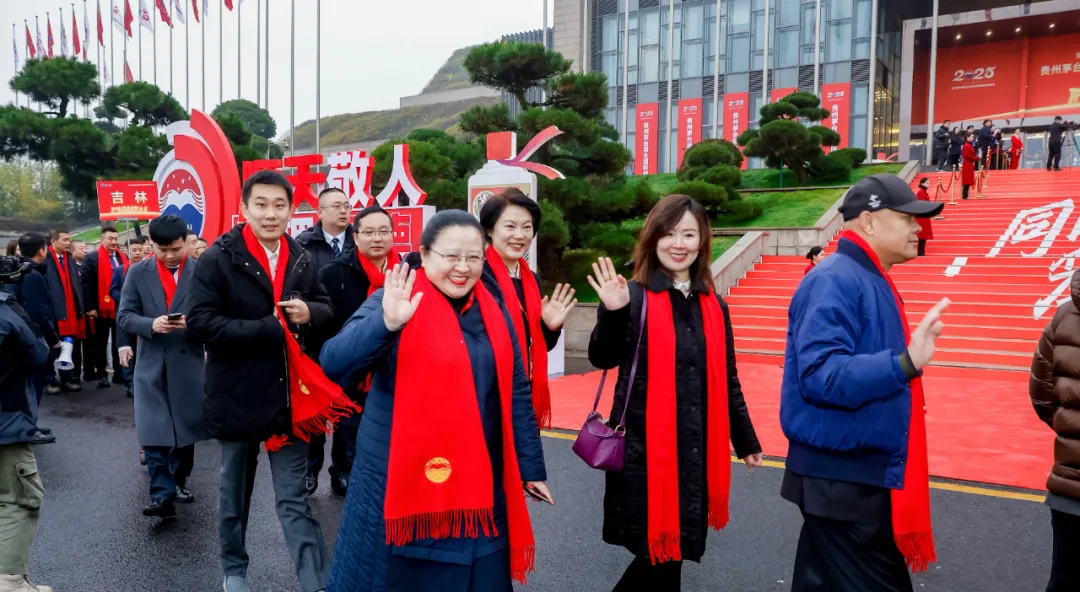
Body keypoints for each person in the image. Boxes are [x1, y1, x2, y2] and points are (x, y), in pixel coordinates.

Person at [321, 210, 550, 592]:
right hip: (399, 480)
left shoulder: (494, 311)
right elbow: (333, 363)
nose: (463, 268)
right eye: (451, 256)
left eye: (473, 258)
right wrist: (386, 324)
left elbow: (515, 391)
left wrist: (530, 467)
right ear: (424, 254)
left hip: (480, 482)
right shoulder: (395, 298)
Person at [587, 194, 762, 591]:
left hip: (696, 453)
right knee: (659, 556)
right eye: (669, 234)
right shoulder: (632, 297)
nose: (678, 243)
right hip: (647, 456)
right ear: (653, 239)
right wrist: (612, 313)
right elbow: (602, 357)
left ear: (702, 241)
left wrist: (745, 439)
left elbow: (728, 379)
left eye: (689, 233)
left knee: (669, 558)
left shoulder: (714, 306)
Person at [781, 174, 946, 592]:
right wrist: (904, 363)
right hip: (844, 482)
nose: (918, 228)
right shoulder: (834, 278)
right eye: (908, 218)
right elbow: (821, 376)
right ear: (868, 222)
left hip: (848, 474)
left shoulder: (866, 277)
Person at [186, 170, 336, 592]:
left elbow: (324, 304)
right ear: (245, 208)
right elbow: (198, 322)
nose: (271, 214)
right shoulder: (219, 256)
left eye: (280, 205)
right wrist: (266, 328)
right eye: (262, 204)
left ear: (291, 210)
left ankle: (315, 581)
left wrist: (312, 313)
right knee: (234, 497)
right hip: (235, 396)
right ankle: (234, 571)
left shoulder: (301, 255)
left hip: (289, 401)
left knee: (293, 500)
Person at [305, 205, 400, 497]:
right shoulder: (334, 273)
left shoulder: (405, 272)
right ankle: (336, 471)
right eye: (369, 232)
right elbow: (322, 316)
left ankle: (354, 472)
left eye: (383, 231)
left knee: (368, 426)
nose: (377, 238)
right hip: (344, 360)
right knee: (344, 420)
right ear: (355, 237)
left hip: (385, 364)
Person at [117, 215, 206, 519]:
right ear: (152, 244)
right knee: (152, 429)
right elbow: (125, 316)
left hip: (189, 362)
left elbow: (216, 316)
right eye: (162, 249)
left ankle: (179, 481)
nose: (169, 255)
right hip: (151, 362)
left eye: (176, 249)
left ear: (187, 242)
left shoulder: (202, 272)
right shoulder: (137, 273)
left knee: (185, 429)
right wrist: (150, 324)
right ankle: (161, 494)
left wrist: (191, 325)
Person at [480, 188, 577, 431]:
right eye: (510, 226)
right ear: (490, 230)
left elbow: (535, 344)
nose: (520, 235)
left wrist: (549, 327)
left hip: (524, 391)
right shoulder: (477, 276)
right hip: (486, 394)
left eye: (527, 227)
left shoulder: (530, 279)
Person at [0, 255, 53, 592]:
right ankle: (10, 580)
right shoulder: (7, 312)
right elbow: (38, 353)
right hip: (6, 420)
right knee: (20, 497)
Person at [1030, 269, 1080, 592]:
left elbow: (1041, 394)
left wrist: (1070, 432)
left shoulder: (1064, 315)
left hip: (1069, 491)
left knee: (1064, 581)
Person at [0, 234, 59, 446]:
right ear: (42, 250)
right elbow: (38, 312)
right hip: (29, 338)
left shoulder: (17, 271)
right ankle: (29, 427)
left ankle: (30, 423)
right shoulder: (32, 274)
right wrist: (51, 338)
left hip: (17, 338)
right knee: (33, 385)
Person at [80, 226, 129, 390]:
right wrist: (90, 307)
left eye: (116, 238)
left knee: (119, 341)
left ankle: (119, 373)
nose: (114, 241)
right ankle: (101, 373)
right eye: (111, 238)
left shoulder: (123, 258)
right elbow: (85, 285)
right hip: (99, 308)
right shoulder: (92, 258)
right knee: (100, 343)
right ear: (102, 239)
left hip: (119, 308)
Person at [43, 229, 83, 393]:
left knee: (68, 347)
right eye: (65, 240)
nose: (68, 243)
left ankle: (67, 378)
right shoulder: (46, 260)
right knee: (52, 349)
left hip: (70, 312)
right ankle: (50, 380)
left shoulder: (70, 260)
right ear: (53, 241)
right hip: (53, 313)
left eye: (69, 240)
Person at [109, 237, 147, 398]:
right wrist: (126, 297)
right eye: (134, 250)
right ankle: (130, 383)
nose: (137, 253)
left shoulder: (148, 269)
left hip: (144, 316)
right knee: (126, 348)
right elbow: (113, 290)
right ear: (127, 251)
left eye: (140, 250)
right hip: (125, 314)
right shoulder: (120, 270)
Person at [296, 187, 356, 273]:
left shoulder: (360, 240)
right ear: (320, 213)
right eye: (337, 206)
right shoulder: (304, 244)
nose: (343, 211)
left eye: (347, 207)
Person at [915, 178, 935, 257]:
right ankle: (920, 252)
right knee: (922, 235)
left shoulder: (923, 192)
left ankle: (921, 251)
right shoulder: (920, 192)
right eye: (926, 183)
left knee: (923, 235)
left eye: (928, 183)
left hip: (924, 216)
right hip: (922, 216)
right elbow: (921, 204)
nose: (928, 184)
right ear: (922, 183)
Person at [961, 133, 977, 199]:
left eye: (973, 137)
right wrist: (975, 158)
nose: (972, 138)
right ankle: (965, 195)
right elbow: (966, 156)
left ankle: (966, 195)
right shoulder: (966, 146)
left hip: (969, 164)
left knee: (968, 180)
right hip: (967, 164)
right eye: (971, 137)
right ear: (967, 137)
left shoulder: (969, 145)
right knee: (966, 181)